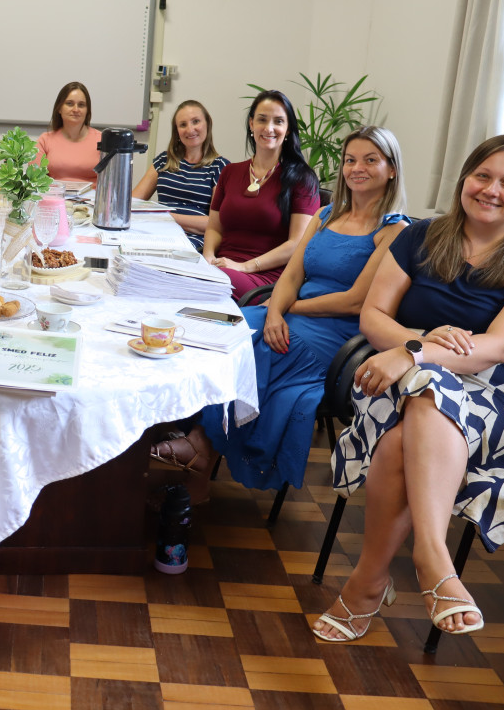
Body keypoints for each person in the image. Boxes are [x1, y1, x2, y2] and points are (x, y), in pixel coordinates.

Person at [313, 135, 504, 642]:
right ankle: (433, 562)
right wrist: (418, 345)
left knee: (404, 432)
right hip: (396, 378)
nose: (491, 190)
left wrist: (415, 352)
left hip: (496, 393)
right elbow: (372, 314)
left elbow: (495, 348)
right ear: (463, 180)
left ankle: (372, 580)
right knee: (425, 389)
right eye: (482, 176)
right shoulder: (421, 237)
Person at [194, 127, 409, 499]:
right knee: (215, 332)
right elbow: (292, 273)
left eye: (370, 160)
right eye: (350, 160)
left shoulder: (394, 230)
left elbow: (355, 301)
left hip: (336, 334)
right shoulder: (326, 215)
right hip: (287, 314)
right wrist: (275, 310)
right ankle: (190, 439)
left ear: (391, 169)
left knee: (255, 350)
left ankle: (197, 452)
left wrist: (286, 308)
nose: (357, 168)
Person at [201, 90, 320, 300]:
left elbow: (296, 244)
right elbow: (214, 228)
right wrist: (208, 257)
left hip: (266, 279)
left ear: (288, 127)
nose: (269, 128)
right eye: (262, 120)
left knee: (204, 285)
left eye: (278, 121)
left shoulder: (303, 179)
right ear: (251, 124)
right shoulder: (230, 172)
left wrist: (244, 267)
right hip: (222, 267)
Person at [132, 100, 229, 250]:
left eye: (196, 121)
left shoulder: (220, 167)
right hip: (155, 233)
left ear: (208, 124)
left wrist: (165, 217)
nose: (190, 130)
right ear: (176, 131)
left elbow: (216, 224)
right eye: (183, 125)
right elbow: (133, 204)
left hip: (190, 242)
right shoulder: (164, 160)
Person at [34, 82, 102, 186]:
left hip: (93, 200)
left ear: (87, 110)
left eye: (81, 105)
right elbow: (35, 180)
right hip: (55, 199)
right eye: (69, 103)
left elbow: (113, 181)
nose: (76, 109)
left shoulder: (103, 140)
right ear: (59, 108)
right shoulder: (45, 140)